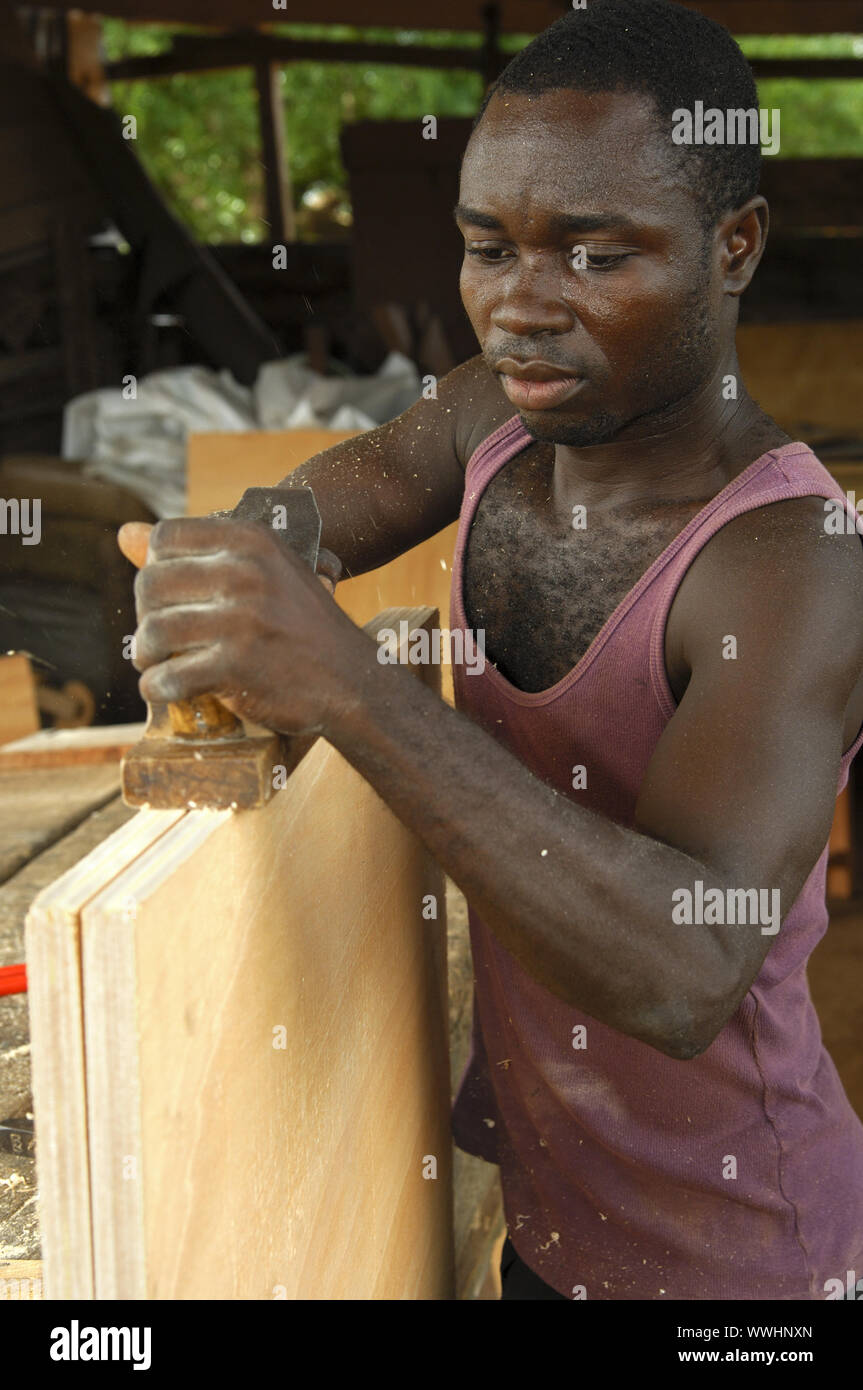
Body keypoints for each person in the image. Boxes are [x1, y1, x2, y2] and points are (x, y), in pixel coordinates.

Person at [119, 0, 863, 1300]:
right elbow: (324, 501)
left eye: (592, 254)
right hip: (550, 1219)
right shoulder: (490, 422)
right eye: (488, 248)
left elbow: (690, 964)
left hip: (745, 1262)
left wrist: (345, 683)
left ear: (732, 246)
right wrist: (236, 550)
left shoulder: (794, 564)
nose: (520, 307)